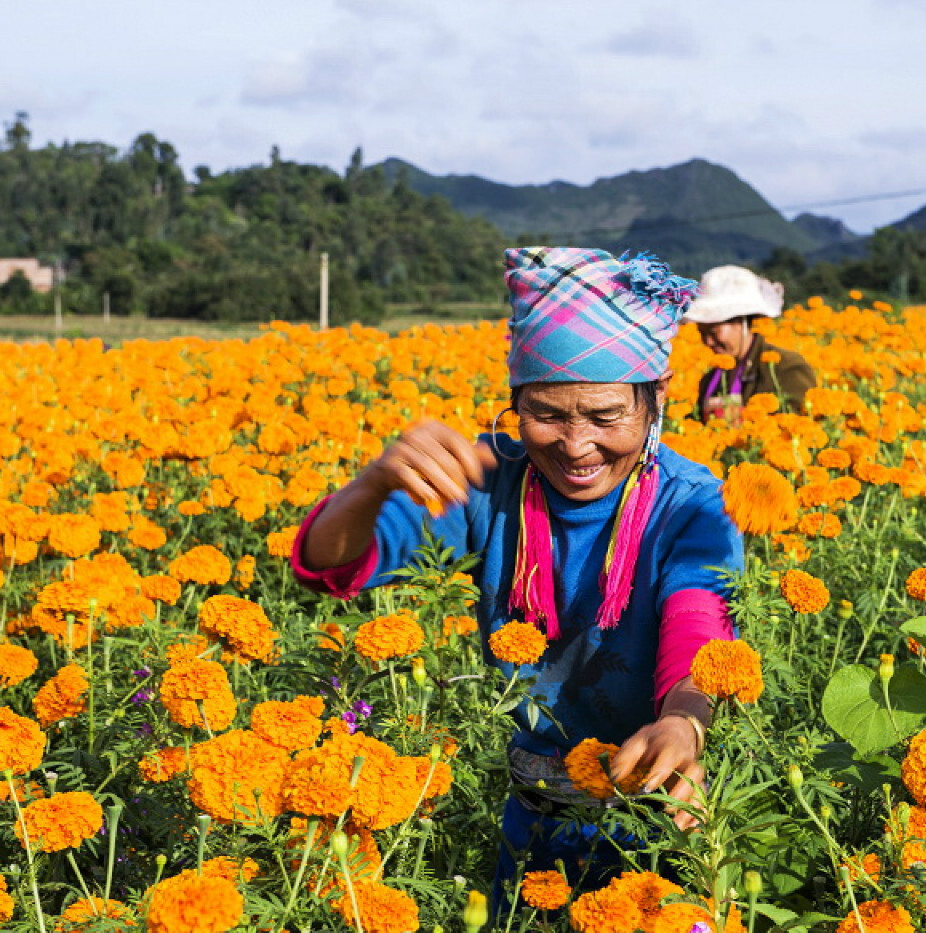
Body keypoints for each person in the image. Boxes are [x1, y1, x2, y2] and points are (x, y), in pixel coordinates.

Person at [292, 247, 745, 893]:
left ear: (657, 398)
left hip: (664, 820)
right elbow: (328, 565)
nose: (576, 444)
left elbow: (699, 624)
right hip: (532, 821)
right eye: (548, 414)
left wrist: (683, 720)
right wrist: (372, 485)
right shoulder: (485, 483)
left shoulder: (691, 502)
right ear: (514, 400)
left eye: (606, 415)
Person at [683, 265, 816, 421]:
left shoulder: (786, 367)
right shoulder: (711, 378)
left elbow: (797, 423)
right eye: (702, 333)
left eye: (713, 332)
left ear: (742, 321)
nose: (708, 341)